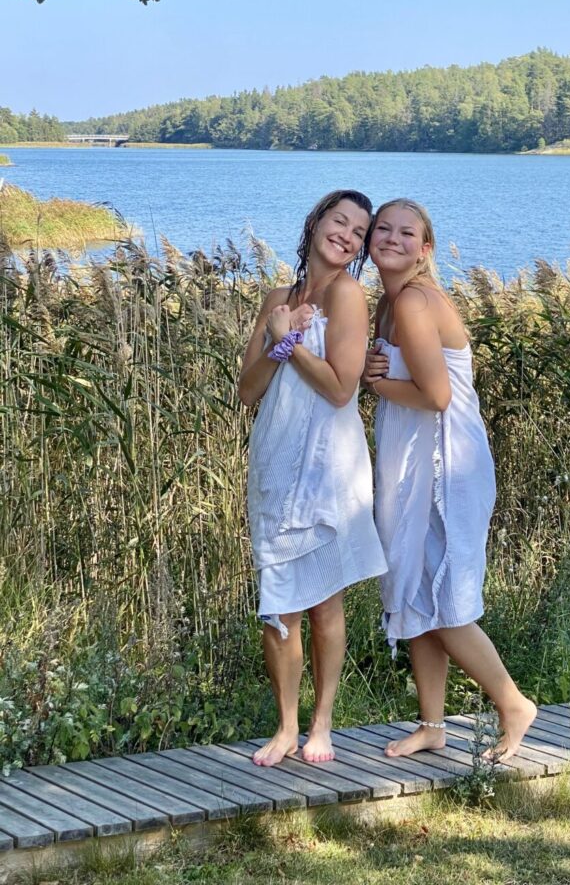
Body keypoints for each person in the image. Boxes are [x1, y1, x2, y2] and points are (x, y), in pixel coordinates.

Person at [363, 198, 537, 761]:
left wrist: (375, 386)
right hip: (416, 457)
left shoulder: (413, 302)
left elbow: (437, 397)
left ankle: (513, 703)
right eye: (381, 229)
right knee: (414, 593)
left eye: (405, 232)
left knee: (445, 603)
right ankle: (432, 724)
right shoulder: (388, 304)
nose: (390, 238)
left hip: (444, 464)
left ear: (425, 247)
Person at [239, 189, 387, 767]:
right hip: (277, 457)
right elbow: (248, 390)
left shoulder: (348, 294)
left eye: (359, 232)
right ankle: (284, 727)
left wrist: (290, 340)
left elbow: (340, 387)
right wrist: (277, 335)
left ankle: (321, 726)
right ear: (316, 222)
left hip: (329, 464)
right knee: (278, 601)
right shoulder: (278, 297)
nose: (347, 235)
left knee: (324, 604)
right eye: (339, 221)